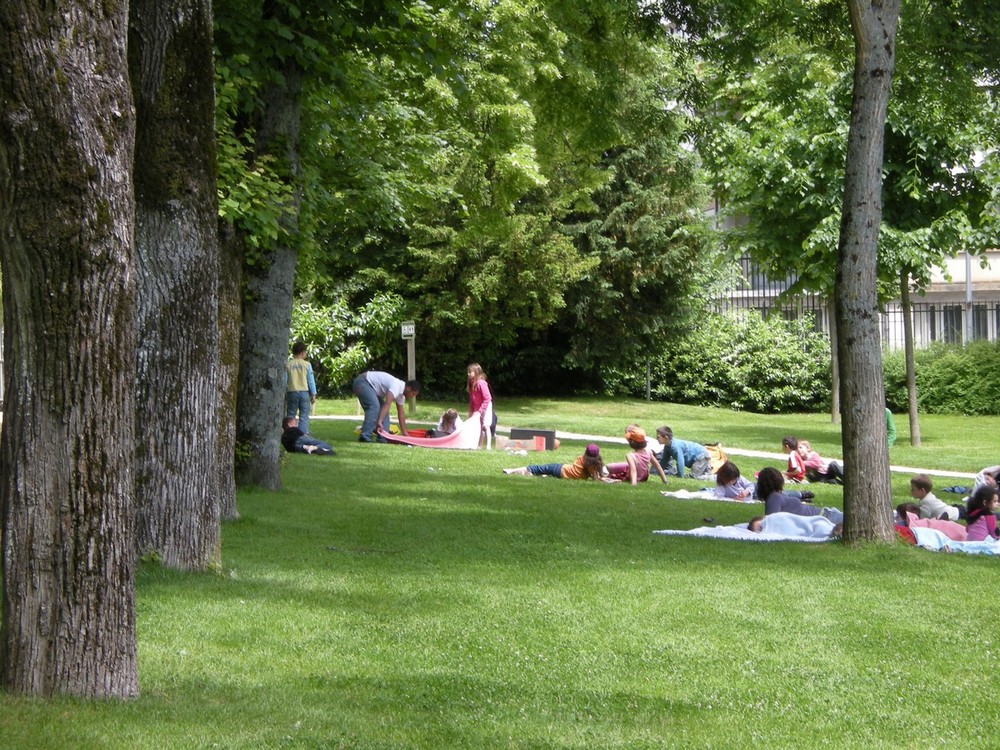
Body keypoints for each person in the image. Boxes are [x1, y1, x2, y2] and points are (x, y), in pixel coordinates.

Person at [755, 466, 843, 524]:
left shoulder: (776, 496)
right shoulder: (774, 498)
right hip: (824, 518)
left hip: (826, 515)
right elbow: (771, 522)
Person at [352, 371, 420, 443]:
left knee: (384, 412)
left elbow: (401, 414)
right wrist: (379, 421)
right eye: (413, 394)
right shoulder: (396, 386)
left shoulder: (401, 396)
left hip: (371, 387)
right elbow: (387, 404)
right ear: (409, 388)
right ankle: (365, 436)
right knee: (374, 406)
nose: (412, 397)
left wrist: (405, 433)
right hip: (363, 382)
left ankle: (382, 439)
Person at [503, 443, 605, 480]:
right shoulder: (593, 466)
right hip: (562, 472)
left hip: (560, 470)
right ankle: (540, 475)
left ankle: (511, 470)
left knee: (537, 468)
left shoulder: (582, 459)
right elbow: (595, 478)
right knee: (541, 471)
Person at [285, 340, 317, 434]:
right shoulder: (307, 365)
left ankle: (290, 433)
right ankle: (303, 434)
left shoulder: (288, 364)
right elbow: (311, 381)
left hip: (292, 392)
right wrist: (313, 394)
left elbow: (285, 380)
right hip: (304, 393)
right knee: (304, 415)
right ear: (302, 352)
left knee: (291, 414)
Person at [894, 503, 966, 542]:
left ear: (905, 518)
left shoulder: (913, 525)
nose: (895, 520)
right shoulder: (922, 523)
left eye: (897, 517)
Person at [467, 363, 494, 450]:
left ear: (476, 372)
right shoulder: (471, 384)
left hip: (486, 406)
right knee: (478, 426)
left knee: (486, 426)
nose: (468, 374)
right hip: (478, 407)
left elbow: (488, 398)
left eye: (470, 372)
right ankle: (479, 445)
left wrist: (480, 411)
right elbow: (472, 399)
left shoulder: (481, 383)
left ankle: (488, 446)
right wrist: (471, 412)